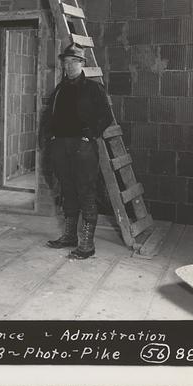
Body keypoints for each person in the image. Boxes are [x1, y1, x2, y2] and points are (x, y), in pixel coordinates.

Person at [41, 43, 113, 260]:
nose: (70, 66)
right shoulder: (59, 90)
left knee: (86, 192)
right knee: (67, 191)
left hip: (83, 148)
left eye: (75, 61)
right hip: (61, 147)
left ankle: (87, 244)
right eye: (67, 62)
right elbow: (48, 119)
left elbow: (106, 117)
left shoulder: (93, 89)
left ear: (83, 64)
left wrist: (89, 135)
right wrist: (51, 138)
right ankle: (69, 236)